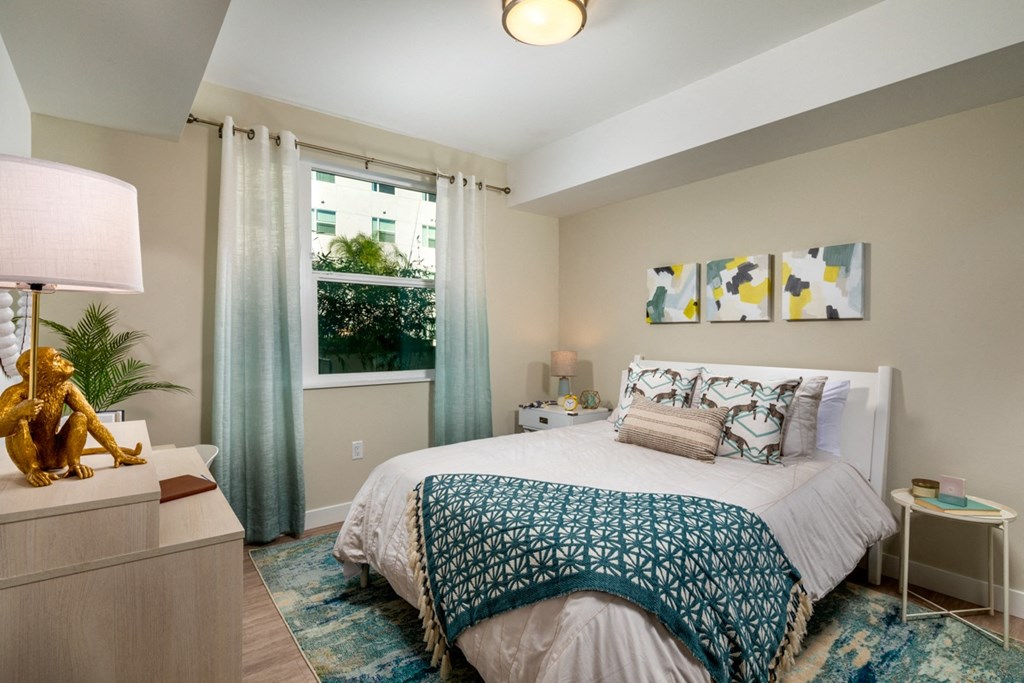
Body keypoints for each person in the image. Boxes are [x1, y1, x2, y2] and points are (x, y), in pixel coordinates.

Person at [0, 347, 144, 487]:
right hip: (30, 457)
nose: (67, 362)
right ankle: (33, 469)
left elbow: (93, 422)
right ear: (30, 369)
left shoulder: (65, 387)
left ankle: (74, 463)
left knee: (80, 417)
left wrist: (117, 453)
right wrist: (17, 412)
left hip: (58, 454)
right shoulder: (16, 392)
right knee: (19, 421)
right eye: (57, 359)